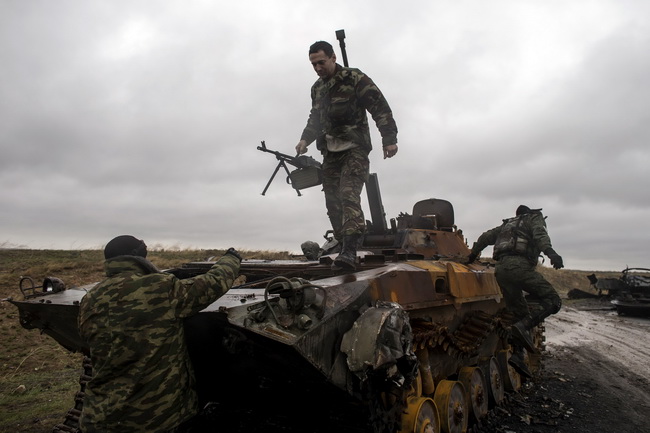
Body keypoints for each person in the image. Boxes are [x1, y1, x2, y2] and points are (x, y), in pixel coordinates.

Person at [78, 235, 241, 433]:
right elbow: (212, 283)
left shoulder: (91, 297)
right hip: (154, 417)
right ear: (136, 254)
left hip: (100, 415)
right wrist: (231, 258)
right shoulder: (159, 287)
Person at [295, 40, 399, 271]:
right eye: (313, 64)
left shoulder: (354, 78)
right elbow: (315, 118)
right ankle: (343, 247)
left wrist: (389, 138)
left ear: (333, 57)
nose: (318, 68)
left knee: (348, 194)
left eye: (321, 62)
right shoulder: (317, 88)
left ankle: (350, 250)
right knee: (332, 201)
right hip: (330, 152)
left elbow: (379, 106)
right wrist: (305, 139)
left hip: (354, 148)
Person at [467, 205, 564, 378]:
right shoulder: (533, 218)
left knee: (519, 313)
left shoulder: (506, 225)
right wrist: (552, 254)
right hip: (520, 267)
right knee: (553, 301)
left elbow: (485, 237)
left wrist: (471, 256)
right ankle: (523, 327)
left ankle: (518, 356)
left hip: (501, 270)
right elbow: (540, 236)